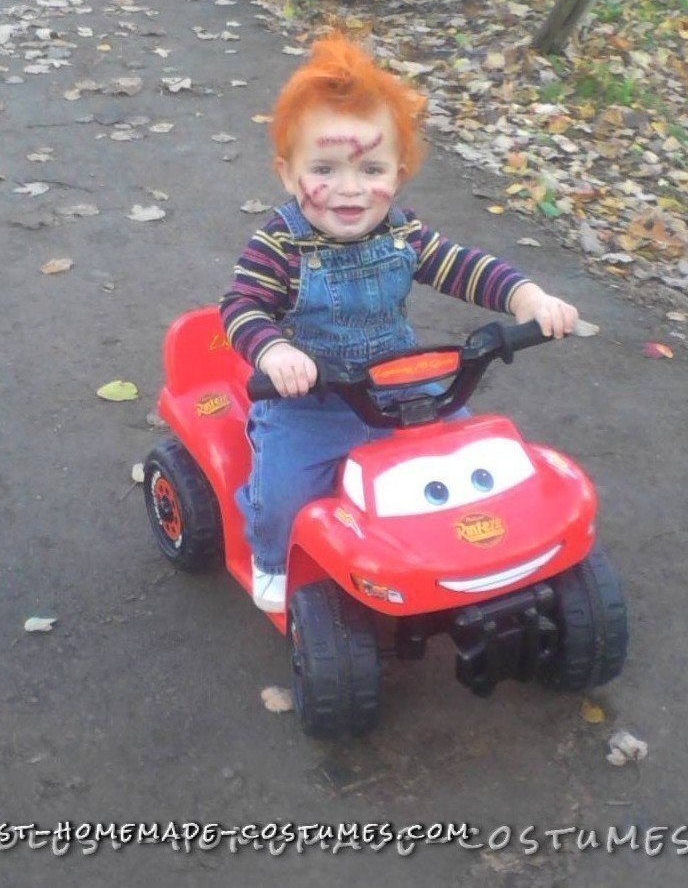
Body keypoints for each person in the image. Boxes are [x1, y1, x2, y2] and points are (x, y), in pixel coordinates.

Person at [220, 33, 578, 613]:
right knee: (287, 489)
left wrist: (523, 296)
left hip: (405, 385)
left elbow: (460, 266)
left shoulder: (403, 232)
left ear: (400, 170)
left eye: (372, 168)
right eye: (325, 168)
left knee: (467, 467)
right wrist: (274, 354)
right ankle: (273, 556)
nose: (351, 188)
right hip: (312, 399)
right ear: (288, 174)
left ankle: (461, 561)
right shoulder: (281, 241)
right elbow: (241, 307)